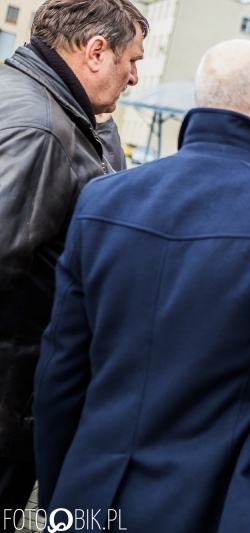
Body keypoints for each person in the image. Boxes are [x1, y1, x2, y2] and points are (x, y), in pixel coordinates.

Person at [34, 39, 250, 533]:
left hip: (90, 493)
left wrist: (64, 498)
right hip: (217, 507)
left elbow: (59, 374)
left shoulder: (103, 199)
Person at [0, 0, 147, 521]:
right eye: (132, 60)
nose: (133, 77)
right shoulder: (43, 130)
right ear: (95, 51)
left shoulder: (26, 96)